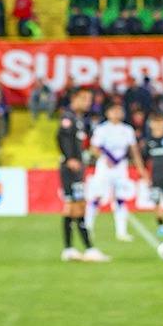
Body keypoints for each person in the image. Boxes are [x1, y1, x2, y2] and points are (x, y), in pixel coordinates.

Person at [86, 99, 148, 242]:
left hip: (120, 166)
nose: (117, 113)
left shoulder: (127, 130)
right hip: (104, 167)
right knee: (97, 197)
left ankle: (122, 232)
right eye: (114, 111)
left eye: (119, 111)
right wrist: (104, 157)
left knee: (121, 198)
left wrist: (141, 168)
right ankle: (88, 228)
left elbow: (134, 150)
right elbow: (94, 148)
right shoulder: (101, 129)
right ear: (107, 113)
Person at [57, 87, 107, 263]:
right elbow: (61, 137)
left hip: (76, 168)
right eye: (85, 99)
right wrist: (70, 158)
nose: (88, 103)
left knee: (73, 207)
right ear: (75, 98)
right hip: (70, 168)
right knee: (77, 206)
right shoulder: (68, 117)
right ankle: (89, 249)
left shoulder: (77, 119)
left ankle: (70, 249)